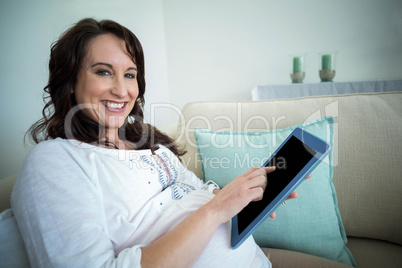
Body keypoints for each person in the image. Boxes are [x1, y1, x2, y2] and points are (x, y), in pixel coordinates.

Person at [11, 18, 300, 267]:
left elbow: (200, 199)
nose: (122, 90)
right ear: (70, 81)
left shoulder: (149, 144)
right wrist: (218, 209)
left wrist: (244, 196)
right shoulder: (55, 160)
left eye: (130, 75)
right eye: (103, 71)